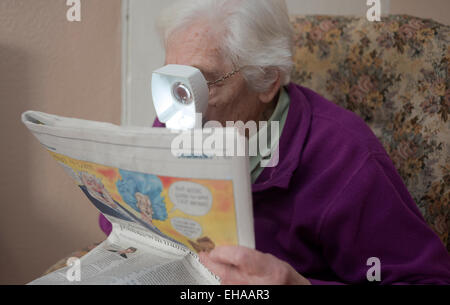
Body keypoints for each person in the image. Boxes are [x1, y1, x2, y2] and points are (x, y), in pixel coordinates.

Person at [100, 0, 450, 284]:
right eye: (175, 82)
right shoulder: (179, 116)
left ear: (267, 80)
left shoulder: (344, 159)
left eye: (203, 82)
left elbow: (427, 281)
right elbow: (127, 224)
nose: (180, 105)